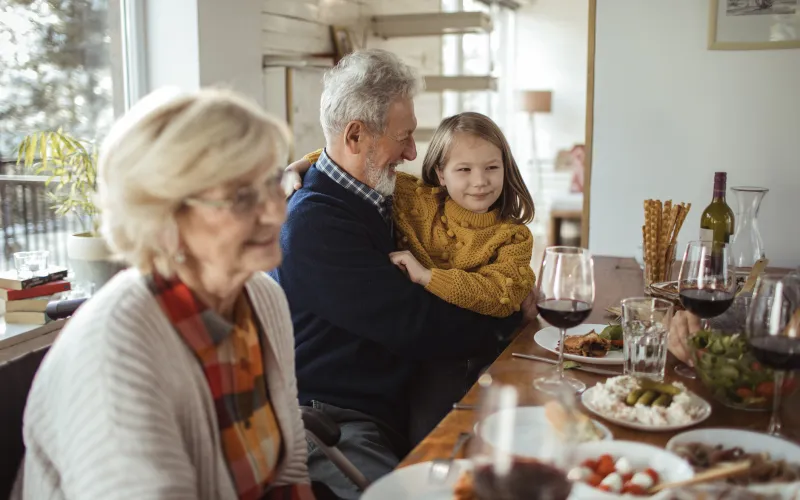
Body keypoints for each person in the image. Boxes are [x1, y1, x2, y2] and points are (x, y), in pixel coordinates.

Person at [18, 88, 322, 499]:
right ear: (163, 217)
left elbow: (289, 468)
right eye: (240, 196)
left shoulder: (262, 298)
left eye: (272, 183)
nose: (276, 211)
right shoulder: (116, 353)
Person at [270, 49, 529, 499]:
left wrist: (302, 161)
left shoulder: (378, 192)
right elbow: (417, 325)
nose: (412, 153)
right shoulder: (316, 225)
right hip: (338, 419)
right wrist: (507, 317)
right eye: (403, 137)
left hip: (397, 398)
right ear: (355, 136)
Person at [288, 111, 536, 318]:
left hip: (480, 355)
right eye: (464, 169)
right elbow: (354, 163)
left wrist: (429, 277)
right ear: (441, 174)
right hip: (410, 345)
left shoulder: (514, 236)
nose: (480, 181)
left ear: (506, 167)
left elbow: (501, 295)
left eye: (492, 167)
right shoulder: (414, 198)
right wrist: (305, 163)